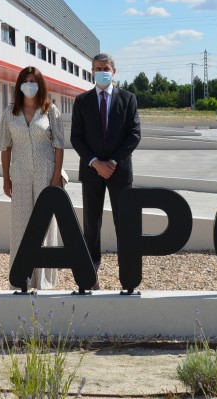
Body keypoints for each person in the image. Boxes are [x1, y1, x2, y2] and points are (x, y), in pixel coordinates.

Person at [70, 53, 141, 289]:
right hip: (92, 172)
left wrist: (112, 162)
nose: (102, 71)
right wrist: (95, 163)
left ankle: (128, 277)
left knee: (125, 224)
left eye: (106, 67)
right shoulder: (81, 101)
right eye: (98, 68)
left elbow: (134, 135)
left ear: (114, 71)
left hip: (119, 172)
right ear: (92, 71)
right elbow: (76, 138)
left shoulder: (128, 99)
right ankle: (91, 277)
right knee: (92, 225)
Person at [0, 66, 64, 290]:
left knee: (45, 225)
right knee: (20, 224)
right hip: (19, 172)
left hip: (45, 172)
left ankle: (44, 280)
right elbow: (5, 147)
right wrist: (6, 179)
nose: (30, 84)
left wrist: (56, 175)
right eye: (26, 80)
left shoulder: (51, 110)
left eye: (34, 81)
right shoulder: (10, 112)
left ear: (41, 85)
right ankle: (20, 277)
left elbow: (59, 145)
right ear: (19, 84)